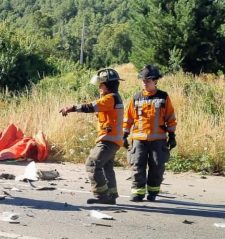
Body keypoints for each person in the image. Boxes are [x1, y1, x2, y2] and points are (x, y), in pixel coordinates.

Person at [60, 68, 125, 205]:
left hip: (108, 140)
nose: (99, 88)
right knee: (106, 166)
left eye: (101, 85)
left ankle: (102, 195)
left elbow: (91, 106)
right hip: (114, 139)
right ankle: (111, 195)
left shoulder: (110, 98)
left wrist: (71, 108)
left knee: (92, 164)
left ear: (107, 85)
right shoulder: (114, 98)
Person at [123, 65, 177, 202]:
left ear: (155, 81)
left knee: (157, 166)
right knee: (137, 165)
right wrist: (124, 134)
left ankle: (153, 191)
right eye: (143, 80)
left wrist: (172, 136)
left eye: (147, 81)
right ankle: (138, 192)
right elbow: (128, 118)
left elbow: (170, 117)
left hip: (158, 140)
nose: (144, 83)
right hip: (139, 139)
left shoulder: (163, 97)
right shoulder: (136, 98)